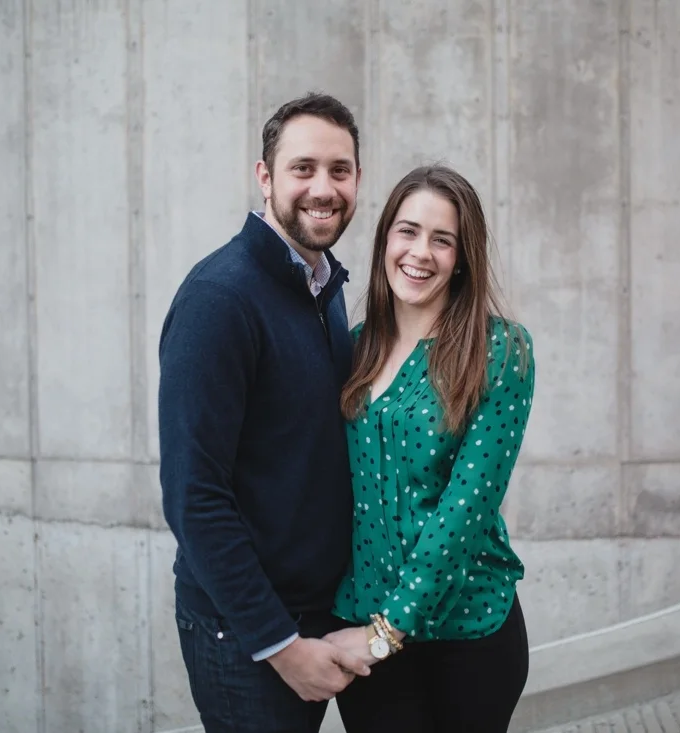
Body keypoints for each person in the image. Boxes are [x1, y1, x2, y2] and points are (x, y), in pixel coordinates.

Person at [157, 92, 371, 733]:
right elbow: (194, 496)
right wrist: (279, 644)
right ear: (265, 176)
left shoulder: (322, 286)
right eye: (303, 168)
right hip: (246, 635)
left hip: (319, 615)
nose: (323, 188)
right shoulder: (219, 299)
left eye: (340, 170)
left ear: (358, 179)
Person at [324, 165, 536, 733]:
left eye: (442, 239)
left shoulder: (501, 350)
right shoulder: (352, 348)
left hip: (467, 634)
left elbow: (465, 511)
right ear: (385, 240)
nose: (421, 252)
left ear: (463, 256)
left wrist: (386, 632)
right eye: (407, 231)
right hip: (364, 625)